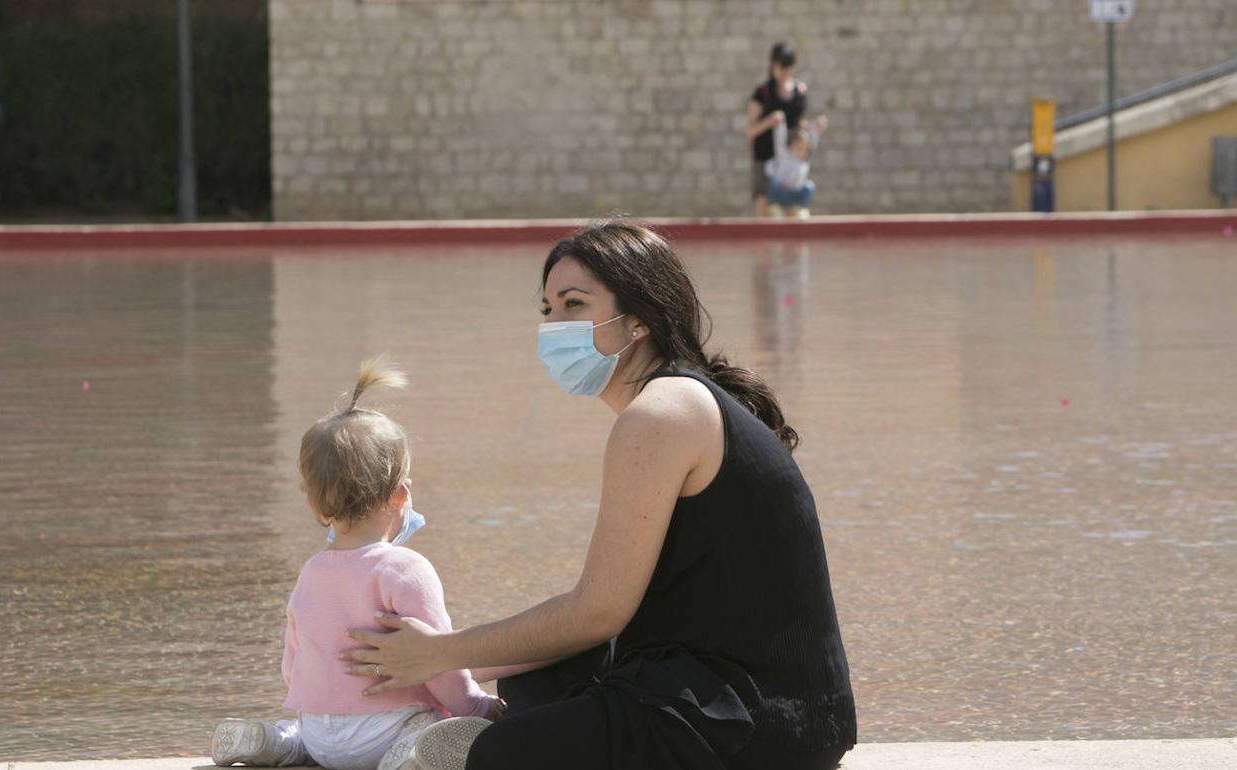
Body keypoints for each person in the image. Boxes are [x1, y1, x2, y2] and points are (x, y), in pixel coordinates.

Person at [340, 221, 857, 770]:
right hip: (723, 687)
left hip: (764, 722)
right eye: (548, 310)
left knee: (493, 752)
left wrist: (441, 654)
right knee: (532, 683)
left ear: (637, 321)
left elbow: (598, 612)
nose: (554, 326)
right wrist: (457, 663)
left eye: (573, 305)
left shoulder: (661, 414)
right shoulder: (675, 402)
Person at [212, 360, 503, 770]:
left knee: (305, 738)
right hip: (382, 729)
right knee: (440, 724)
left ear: (315, 505)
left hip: (318, 731)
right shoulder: (406, 568)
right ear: (401, 496)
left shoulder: (312, 571)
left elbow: (292, 665)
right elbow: (439, 660)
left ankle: (274, 741)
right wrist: (476, 706)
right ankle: (410, 752)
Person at [746, 42, 810, 218]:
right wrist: (769, 121)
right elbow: (750, 131)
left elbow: (798, 123)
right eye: (781, 67)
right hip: (765, 158)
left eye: (788, 68)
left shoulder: (799, 91)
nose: (784, 73)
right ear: (772, 64)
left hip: (789, 162)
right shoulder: (763, 93)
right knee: (764, 213)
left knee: (791, 213)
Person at [765, 116, 828, 218]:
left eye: (803, 149)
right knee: (772, 183)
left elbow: (812, 141)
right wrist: (781, 123)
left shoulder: (805, 161)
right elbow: (779, 141)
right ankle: (775, 208)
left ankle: (801, 208)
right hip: (782, 192)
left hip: (795, 193)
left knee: (809, 186)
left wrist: (816, 128)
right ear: (790, 147)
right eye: (798, 148)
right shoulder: (785, 156)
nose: (801, 152)